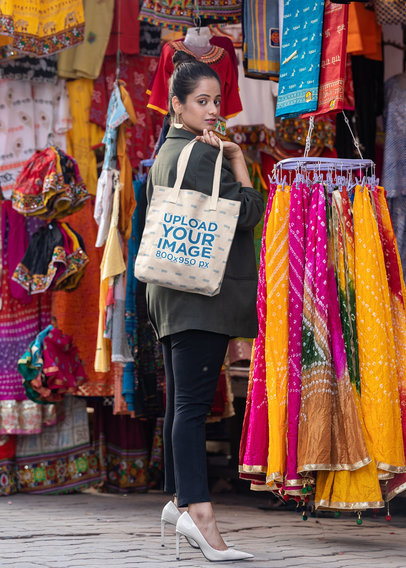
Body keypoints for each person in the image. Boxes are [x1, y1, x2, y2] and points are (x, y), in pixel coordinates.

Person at [145, 51, 264, 562]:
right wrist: (238, 162)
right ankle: (201, 514)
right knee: (191, 408)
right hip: (200, 295)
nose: (214, 110)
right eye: (202, 101)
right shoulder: (203, 154)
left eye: (217, 100)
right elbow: (249, 214)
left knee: (180, 404)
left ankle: (179, 499)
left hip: (171, 291)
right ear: (177, 104)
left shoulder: (166, 152)